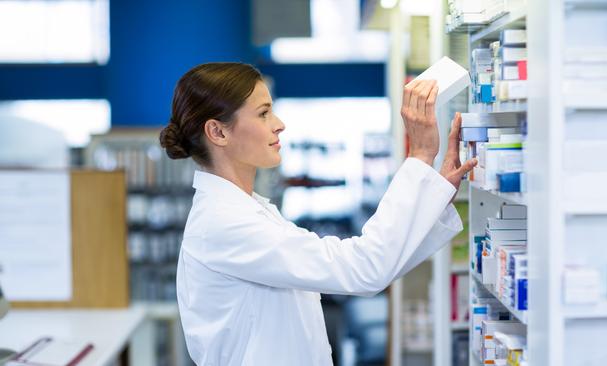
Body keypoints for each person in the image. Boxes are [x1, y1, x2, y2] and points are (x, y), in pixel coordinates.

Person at [159, 62, 477, 366]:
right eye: (263, 113)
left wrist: (434, 193)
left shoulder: (246, 211)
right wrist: (420, 156)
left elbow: (376, 269)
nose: (279, 124)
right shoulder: (225, 224)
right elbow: (365, 269)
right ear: (218, 132)